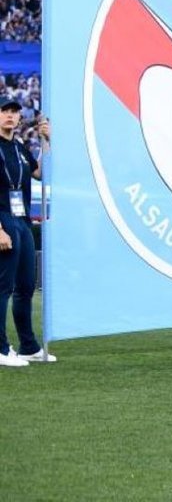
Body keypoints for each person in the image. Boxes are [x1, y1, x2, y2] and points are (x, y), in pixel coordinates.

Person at [0, 101, 51, 366]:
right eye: (4, 111)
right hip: (3, 219)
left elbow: (40, 173)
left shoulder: (19, 147)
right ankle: (1, 349)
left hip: (23, 219)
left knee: (26, 286)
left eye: (14, 112)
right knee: (3, 287)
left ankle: (28, 346)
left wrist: (46, 142)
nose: (10, 116)